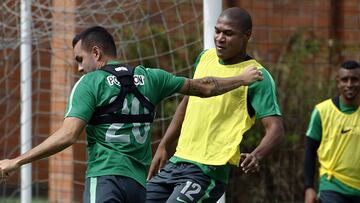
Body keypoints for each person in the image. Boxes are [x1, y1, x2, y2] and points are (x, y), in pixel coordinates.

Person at [0, 26, 263, 203]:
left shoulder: (90, 84)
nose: (79, 69)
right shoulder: (151, 78)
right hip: (138, 188)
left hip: (105, 181)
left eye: (79, 60)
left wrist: (17, 161)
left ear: (96, 53)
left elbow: (68, 136)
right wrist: (241, 78)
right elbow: (204, 87)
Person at [146, 7, 284, 203]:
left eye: (228, 33)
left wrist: (257, 155)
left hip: (207, 171)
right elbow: (187, 104)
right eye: (217, 31)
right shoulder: (205, 57)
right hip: (178, 161)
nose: (219, 38)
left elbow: (276, 129)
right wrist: (164, 146)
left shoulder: (257, 77)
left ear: (247, 35)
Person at [304, 60, 360, 203]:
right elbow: (310, 150)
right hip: (333, 186)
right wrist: (309, 187)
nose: (349, 84)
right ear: (338, 82)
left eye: (354, 79)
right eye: (344, 79)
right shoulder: (322, 111)